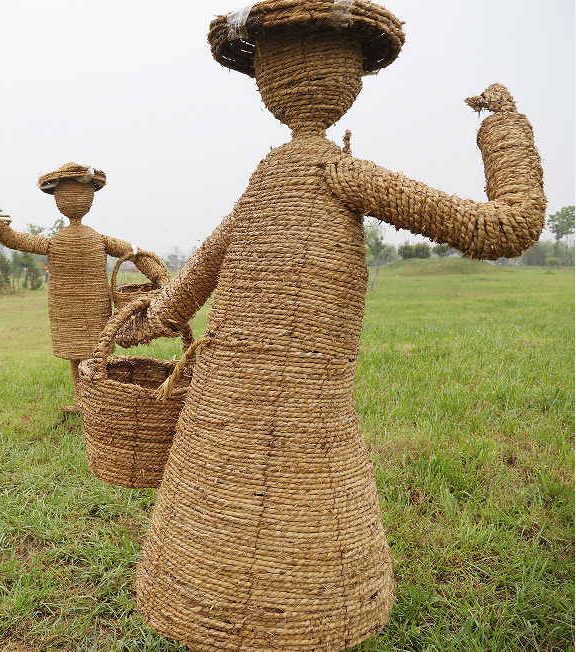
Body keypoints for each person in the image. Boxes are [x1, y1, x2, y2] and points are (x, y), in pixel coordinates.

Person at [111, 3, 547, 650]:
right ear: (349, 79)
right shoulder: (321, 173)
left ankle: (219, 598)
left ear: (266, 82)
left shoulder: (294, 176)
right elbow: (510, 222)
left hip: (249, 403)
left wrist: (150, 319)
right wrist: (504, 128)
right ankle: (248, 605)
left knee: (249, 505)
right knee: (278, 498)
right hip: (263, 403)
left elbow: (198, 273)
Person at [0, 162, 170, 407]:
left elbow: (133, 252)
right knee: (81, 352)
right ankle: (84, 400)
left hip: (93, 307)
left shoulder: (90, 240)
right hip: (67, 308)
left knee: (96, 351)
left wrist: (158, 275)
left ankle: (96, 399)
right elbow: (16, 240)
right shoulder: (66, 241)